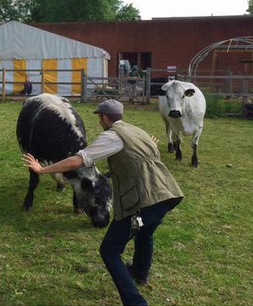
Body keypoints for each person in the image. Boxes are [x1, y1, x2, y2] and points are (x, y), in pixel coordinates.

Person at [22, 99, 183, 306]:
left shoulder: (112, 137)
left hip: (144, 201)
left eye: (99, 117)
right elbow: (150, 150)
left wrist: (41, 169)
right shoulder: (138, 131)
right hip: (166, 194)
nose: (99, 121)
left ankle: (135, 302)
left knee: (110, 250)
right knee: (145, 232)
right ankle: (140, 273)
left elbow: (77, 161)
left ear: (104, 118)